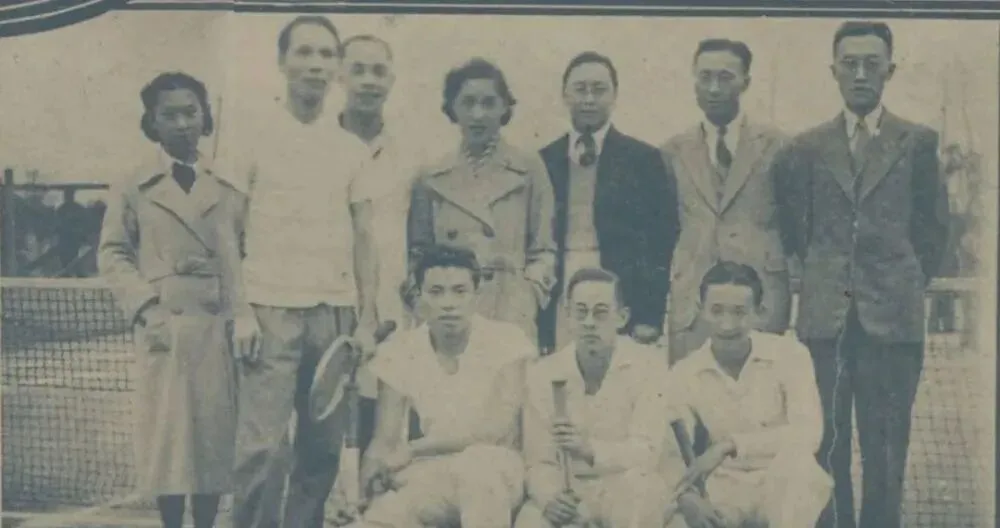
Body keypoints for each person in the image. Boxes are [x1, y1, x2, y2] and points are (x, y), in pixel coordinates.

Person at [772, 21, 949, 528]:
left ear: (891, 70)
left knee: (886, 449)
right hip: (825, 323)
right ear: (833, 70)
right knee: (823, 444)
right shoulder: (805, 148)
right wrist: (828, 275)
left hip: (892, 324)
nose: (860, 74)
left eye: (872, 63)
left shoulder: (917, 142)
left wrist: (897, 281)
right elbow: (796, 227)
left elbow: (934, 231)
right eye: (850, 63)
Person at [218, 16, 381, 528]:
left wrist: (367, 319)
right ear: (282, 62)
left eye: (326, 55)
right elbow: (225, 229)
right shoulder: (249, 136)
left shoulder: (352, 150)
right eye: (304, 53)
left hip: (334, 316)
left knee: (322, 454)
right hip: (269, 313)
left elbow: (365, 238)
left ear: (337, 69)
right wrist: (241, 312)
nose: (315, 65)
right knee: (261, 451)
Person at [99, 72, 260, 528]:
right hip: (165, 327)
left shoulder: (229, 184)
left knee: (211, 442)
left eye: (191, 112)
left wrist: (243, 311)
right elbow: (112, 252)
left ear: (206, 116)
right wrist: (146, 307)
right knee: (168, 444)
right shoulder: (134, 184)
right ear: (151, 122)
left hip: (218, 326)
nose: (183, 123)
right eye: (169, 115)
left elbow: (249, 249)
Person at [358, 244, 534, 528]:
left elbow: (495, 430)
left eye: (459, 291)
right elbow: (384, 442)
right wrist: (360, 495)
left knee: (478, 469)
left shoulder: (508, 341)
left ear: (477, 295)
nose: (448, 303)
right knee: (374, 520)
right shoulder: (401, 350)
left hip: (497, 469)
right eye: (436, 292)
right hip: (433, 473)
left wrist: (413, 450)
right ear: (420, 296)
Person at [515, 267, 686, 528]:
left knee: (640, 495)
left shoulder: (648, 367)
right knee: (530, 522)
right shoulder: (544, 373)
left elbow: (646, 453)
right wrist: (551, 498)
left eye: (600, 312)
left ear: (621, 317)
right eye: (581, 312)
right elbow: (538, 461)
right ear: (568, 315)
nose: (589, 322)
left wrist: (589, 449)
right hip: (571, 492)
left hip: (629, 487)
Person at [670, 261, 831, 528]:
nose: (727, 324)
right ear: (700, 310)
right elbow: (672, 449)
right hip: (726, 484)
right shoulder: (685, 371)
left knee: (799, 473)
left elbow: (809, 434)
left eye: (739, 312)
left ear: (759, 313)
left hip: (783, 479)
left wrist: (730, 445)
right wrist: (688, 497)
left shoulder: (790, 354)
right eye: (716, 311)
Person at [660, 39, 792, 365]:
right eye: (705, 77)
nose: (714, 88)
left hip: (759, 303)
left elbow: (796, 224)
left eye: (725, 77)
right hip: (694, 306)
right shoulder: (672, 151)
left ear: (745, 82)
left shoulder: (779, 147)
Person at [407, 58, 556, 343]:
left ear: (504, 108)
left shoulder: (528, 168)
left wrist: (529, 296)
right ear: (452, 108)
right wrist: (423, 305)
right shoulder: (432, 176)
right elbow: (418, 254)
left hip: (509, 308)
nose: (478, 114)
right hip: (449, 311)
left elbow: (544, 248)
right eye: (468, 103)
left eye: (489, 103)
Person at [538, 51, 679, 353]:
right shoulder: (545, 160)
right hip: (561, 282)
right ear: (564, 95)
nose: (589, 99)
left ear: (614, 95)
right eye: (580, 89)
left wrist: (649, 315)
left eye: (599, 89)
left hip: (618, 284)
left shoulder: (643, 159)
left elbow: (660, 242)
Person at [55, 188, 89, 276]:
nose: (68, 197)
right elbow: (56, 226)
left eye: (70, 194)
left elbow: (85, 224)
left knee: (76, 262)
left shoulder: (79, 209)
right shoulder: (61, 209)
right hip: (64, 241)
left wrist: (83, 237)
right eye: (66, 195)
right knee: (65, 263)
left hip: (75, 241)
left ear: (73, 195)